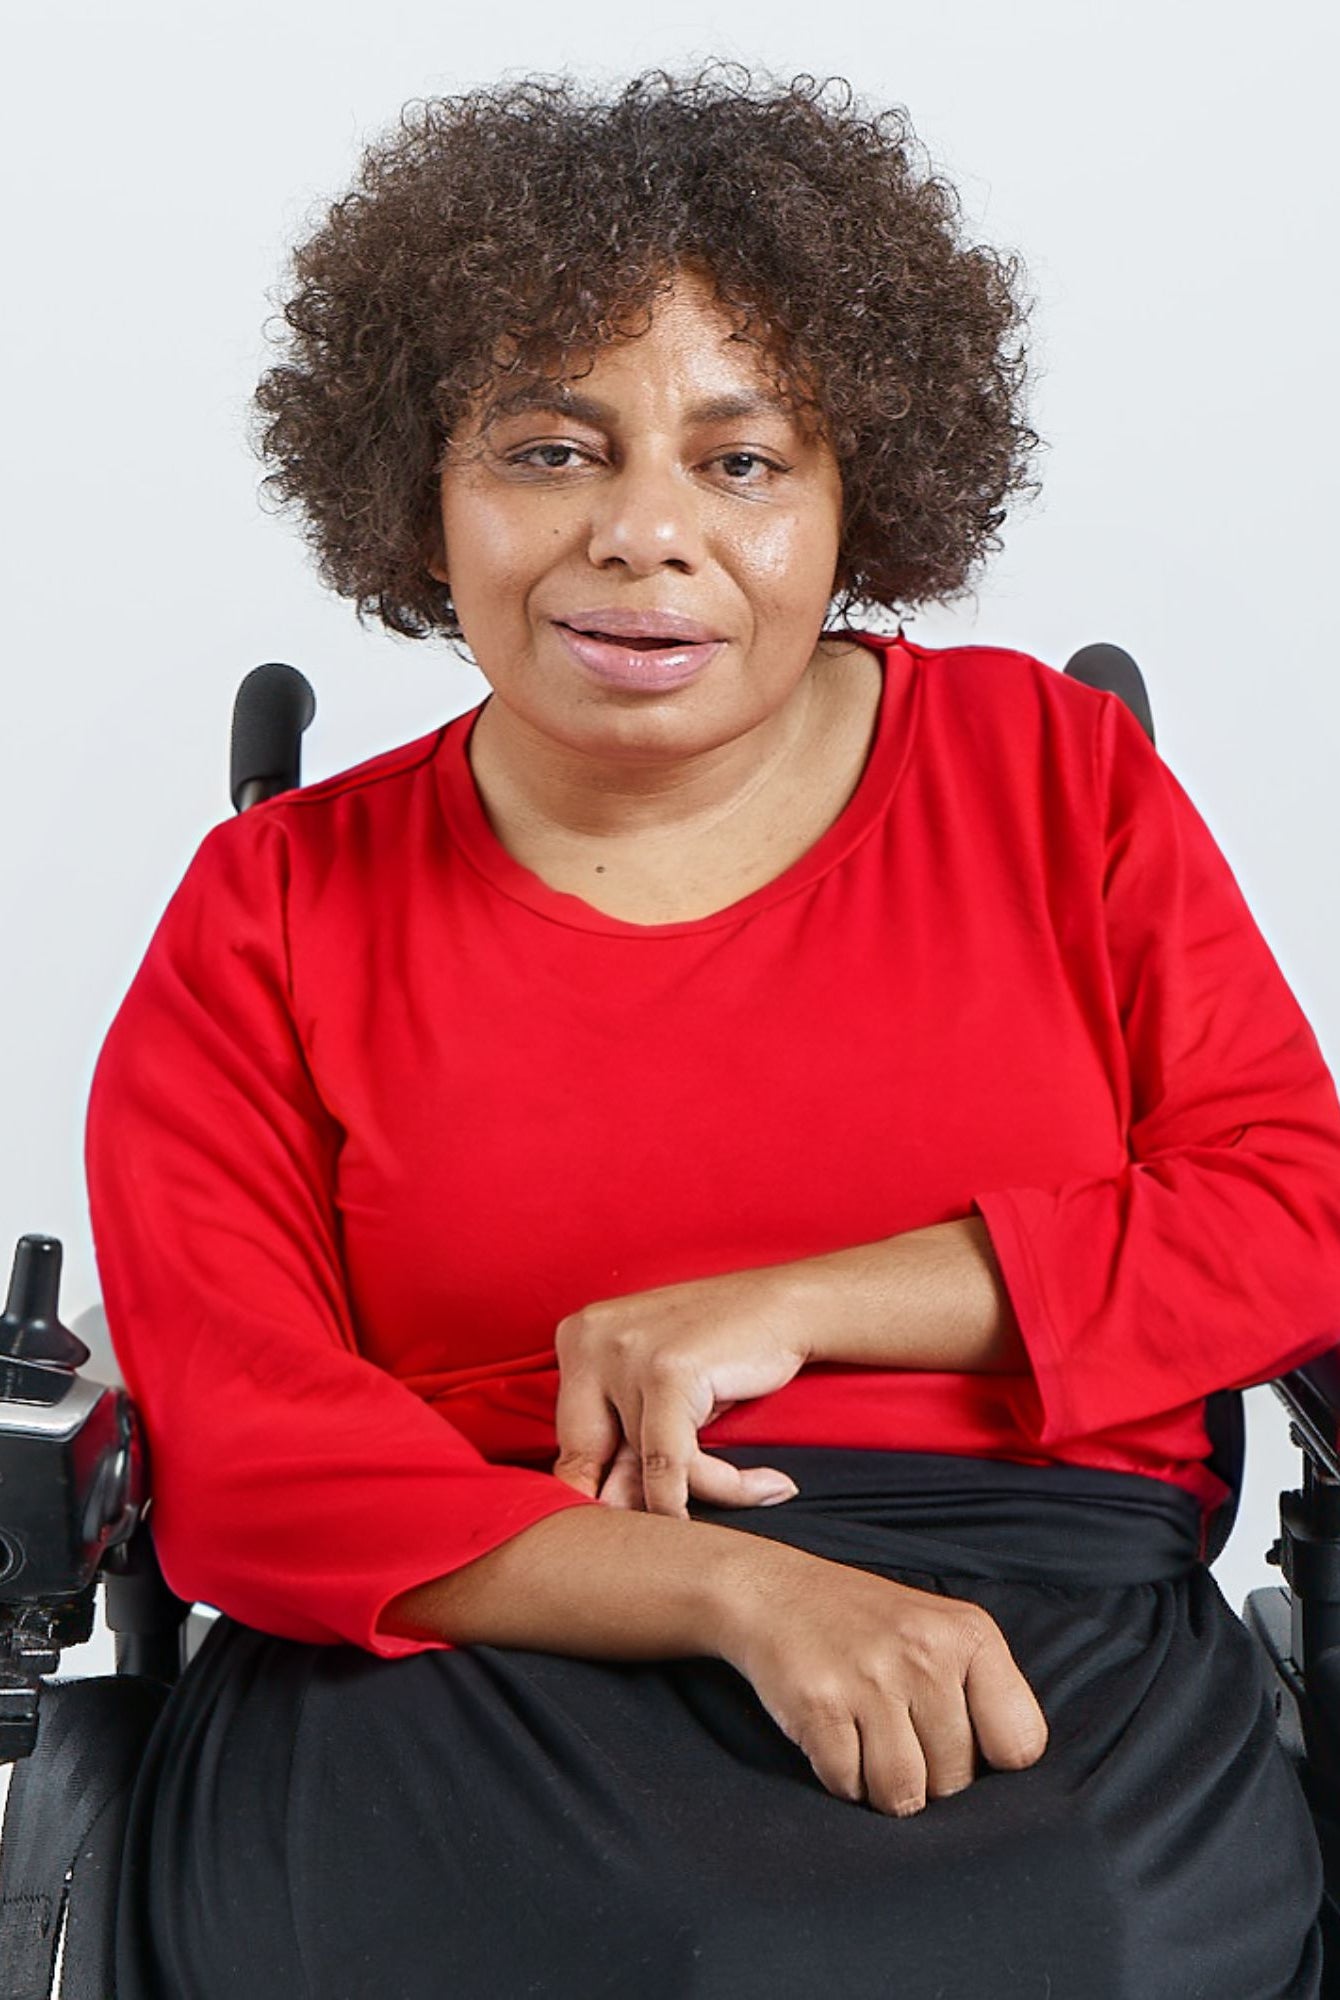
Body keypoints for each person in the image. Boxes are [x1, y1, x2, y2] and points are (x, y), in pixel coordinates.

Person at [85, 63, 1340, 1999]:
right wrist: (736, 1591)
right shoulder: (277, 902)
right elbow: (248, 1450)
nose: (643, 534)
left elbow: (1290, 1215)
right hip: (472, 1618)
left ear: (860, 497)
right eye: (548, 451)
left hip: (1032, 1614)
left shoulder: (1047, 773)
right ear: (421, 493)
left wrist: (801, 1304)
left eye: (743, 462)